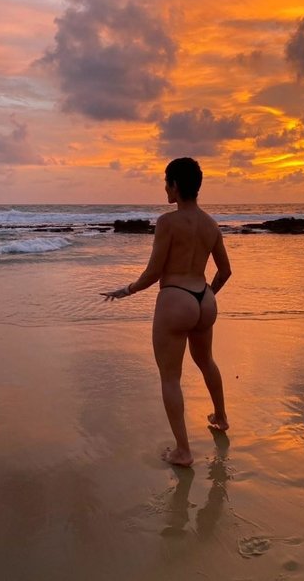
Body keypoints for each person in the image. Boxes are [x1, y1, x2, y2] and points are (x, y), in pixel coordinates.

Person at [101, 157, 232, 467]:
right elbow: (225, 271)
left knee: (170, 377)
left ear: (175, 185)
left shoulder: (167, 223)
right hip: (204, 299)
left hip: (175, 299)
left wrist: (127, 289)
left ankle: (183, 451)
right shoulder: (211, 224)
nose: (164, 189)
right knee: (206, 361)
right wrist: (206, 297)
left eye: (166, 183)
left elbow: (153, 273)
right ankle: (221, 418)